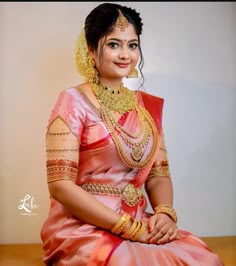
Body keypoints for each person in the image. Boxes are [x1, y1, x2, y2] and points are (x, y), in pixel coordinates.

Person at [40, 3, 223, 265]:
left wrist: (164, 213)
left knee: (203, 259)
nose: (125, 54)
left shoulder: (146, 107)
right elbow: (60, 186)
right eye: (114, 44)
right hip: (81, 227)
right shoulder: (73, 101)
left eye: (132, 45)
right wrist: (128, 228)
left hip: (138, 219)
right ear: (91, 50)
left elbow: (159, 174)